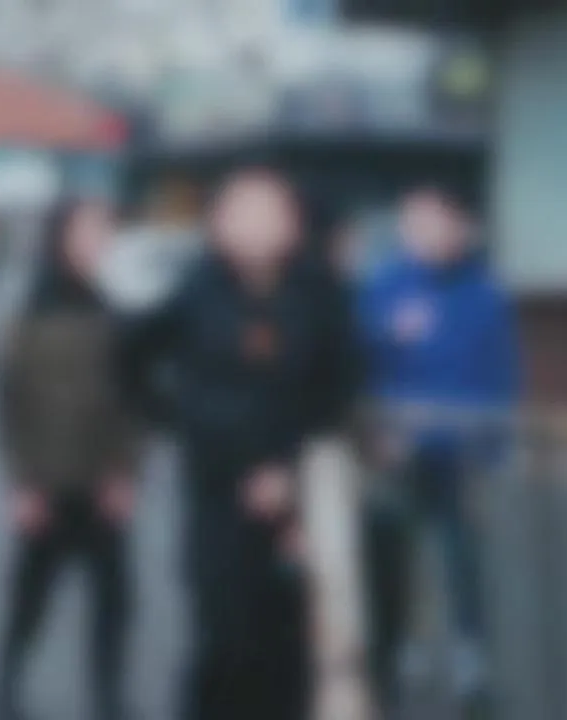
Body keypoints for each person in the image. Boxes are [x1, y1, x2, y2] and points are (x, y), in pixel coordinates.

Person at [120, 167, 359, 720]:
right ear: (219, 224)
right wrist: (179, 422)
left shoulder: (318, 293)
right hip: (216, 493)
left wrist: (290, 469)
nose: (257, 225)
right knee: (224, 639)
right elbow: (129, 358)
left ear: (293, 224)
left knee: (288, 644)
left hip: (296, 497)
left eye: (271, 211)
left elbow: (338, 390)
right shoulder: (196, 290)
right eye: (242, 211)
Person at [357, 184, 521, 716]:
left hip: (462, 451)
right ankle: (407, 644)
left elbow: (501, 373)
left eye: (430, 221)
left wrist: (493, 447)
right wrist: (376, 432)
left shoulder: (484, 292)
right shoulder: (384, 285)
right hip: (398, 449)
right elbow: (361, 362)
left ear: (459, 227)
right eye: (411, 223)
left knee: (461, 555)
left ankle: (471, 653)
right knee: (400, 553)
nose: (419, 233)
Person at [0, 198, 137, 720]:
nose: (97, 242)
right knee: (30, 598)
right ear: (61, 237)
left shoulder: (111, 309)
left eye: (103, 232)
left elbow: (130, 402)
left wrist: (125, 473)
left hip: (101, 483)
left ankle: (108, 700)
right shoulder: (27, 310)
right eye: (87, 231)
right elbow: (7, 405)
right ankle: (4, 690)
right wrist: (21, 484)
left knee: (115, 602)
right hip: (46, 483)